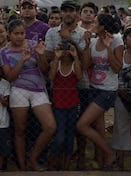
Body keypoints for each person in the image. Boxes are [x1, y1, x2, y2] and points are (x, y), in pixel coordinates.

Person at [0, 19, 56, 171]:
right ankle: (22, 165)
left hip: (38, 88)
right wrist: (22, 61)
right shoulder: (4, 51)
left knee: (50, 126)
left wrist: (41, 55)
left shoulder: (33, 45)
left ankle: (32, 159)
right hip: (18, 90)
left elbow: (44, 70)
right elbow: (10, 77)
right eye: (16, 34)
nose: (19, 37)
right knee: (20, 129)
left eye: (22, 33)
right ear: (9, 34)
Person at [77, 14, 123, 169]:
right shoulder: (94, 42)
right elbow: (85, 65)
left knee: (82, 125)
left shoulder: (116, 40)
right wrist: (86, 44)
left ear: (103, 26)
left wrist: (108, 47)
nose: (92, 24)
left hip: (108, 90)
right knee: (98, 127)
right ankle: (104, 161)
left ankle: (109, 154)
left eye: (95, 22)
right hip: (94, 88)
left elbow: (117, 68)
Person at [111, 26, 131, 169]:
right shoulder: (120, 53)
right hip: (121, 94)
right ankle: (120, 160)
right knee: (121, 126)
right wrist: (119, 89)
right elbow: (114, 73)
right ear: (124, 39)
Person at [48, 40, 82, 171]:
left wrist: (75, 56)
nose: (66, 51)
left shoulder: (75, 64)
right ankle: (53, 160)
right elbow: (51, 77)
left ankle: (66, 164)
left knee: (70, 135)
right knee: (60, 136)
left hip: (72, 104)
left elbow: (79, 76)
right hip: (58, 105)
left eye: (68, 48)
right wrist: (57, 57)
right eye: (63, 48)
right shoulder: (56, 63)